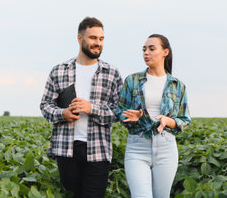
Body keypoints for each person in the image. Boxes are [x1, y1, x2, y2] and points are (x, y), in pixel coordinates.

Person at [40, 17, 123, 198]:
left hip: (98, 149)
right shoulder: (59, 70)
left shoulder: (112, 73)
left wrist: (91, 108)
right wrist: (63, 113)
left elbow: (119, 112)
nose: (98, 43)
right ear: (80, 39)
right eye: (93, 38)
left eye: (101, 39)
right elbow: (45, 106)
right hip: (65, 149)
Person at [116, 34, 191, 198]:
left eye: (151, 48)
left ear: (165, 52)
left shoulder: (177, 85)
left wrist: (168, 121)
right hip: (137, 147)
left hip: (166, 148)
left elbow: (185, 120)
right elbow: (120, 110)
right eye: (144, 49)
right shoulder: (132, 81)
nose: (146, 53)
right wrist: (131, 116)